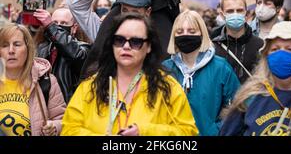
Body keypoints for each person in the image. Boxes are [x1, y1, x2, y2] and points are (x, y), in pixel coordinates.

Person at [61, 12, 198, 136]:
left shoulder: (168, 87)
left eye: (136, 42)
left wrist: (144, 132)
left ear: (149, 46)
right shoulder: (90, 87)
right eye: (119, 40)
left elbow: (188, 133)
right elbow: (68, 129)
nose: (126, 46)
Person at [163, 10, 240, 136]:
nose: (185, 35)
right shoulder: (165, 70)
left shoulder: (221, 68)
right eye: (180, 32)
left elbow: (237, 107)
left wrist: (216, 131)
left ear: (202, 34)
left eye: (192, 31)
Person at [220, 21, 291, 136]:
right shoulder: (250, 96)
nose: (281, 54)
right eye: (275, 49)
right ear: (266, 55)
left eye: (290, 49)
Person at [0, 23, 66, 136]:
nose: (11, 50)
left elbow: (63, 120)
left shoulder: (45, 81)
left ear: (28, 48)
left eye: (17, 44)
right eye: (5, 45)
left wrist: (54, 127)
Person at [34, 8, 90, 103]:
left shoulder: (84, 48)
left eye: (63, 23)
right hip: (44, 104)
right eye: (55, 22)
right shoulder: (42, 48)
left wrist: (51, 26)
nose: (58, 26)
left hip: (68, 105)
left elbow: (75, 54)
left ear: (74, 28)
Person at [211, 0, 264, 83]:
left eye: (239, 10)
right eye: (230, 11)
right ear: (222, 14)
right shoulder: (213, 47)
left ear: (246, 12)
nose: (235, 14)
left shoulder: (260, 45)